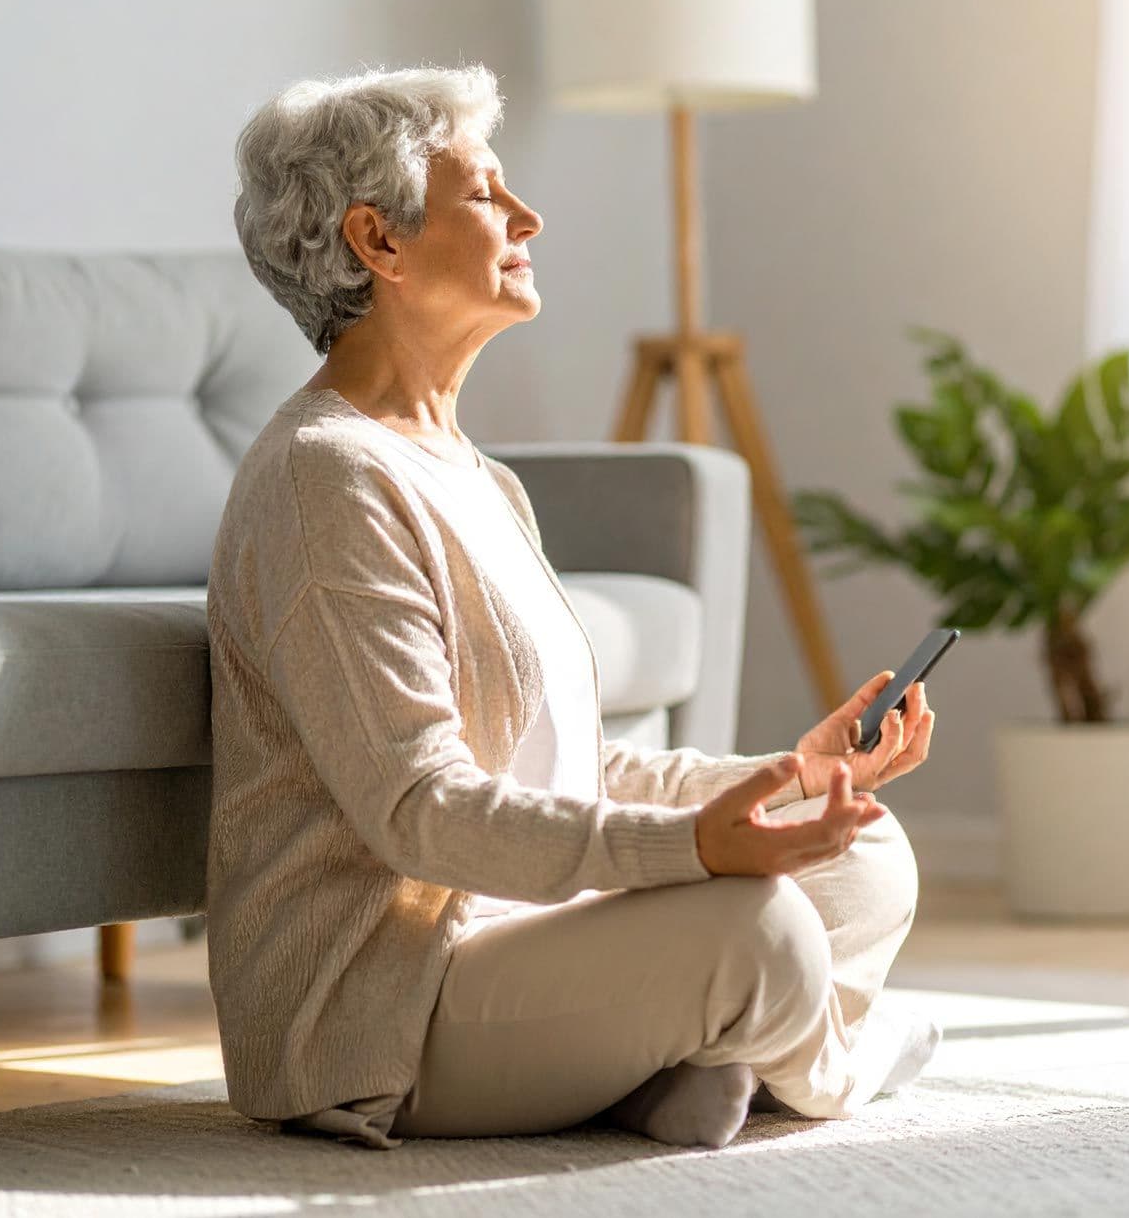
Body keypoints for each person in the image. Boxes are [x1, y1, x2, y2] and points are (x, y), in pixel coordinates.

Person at [206, 63, 941, 1152]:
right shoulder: (326, 480)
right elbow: (420, 808)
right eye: (485, 192)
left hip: (528, 934)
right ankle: (844, 1057)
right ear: (379, 241)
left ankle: (685, 1067)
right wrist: (694, 853)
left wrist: (777, 783)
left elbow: (564, 767)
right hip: (384, 1008)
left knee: (865, 857)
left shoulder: (472, 474)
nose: (527, 215)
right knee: (762, 929)